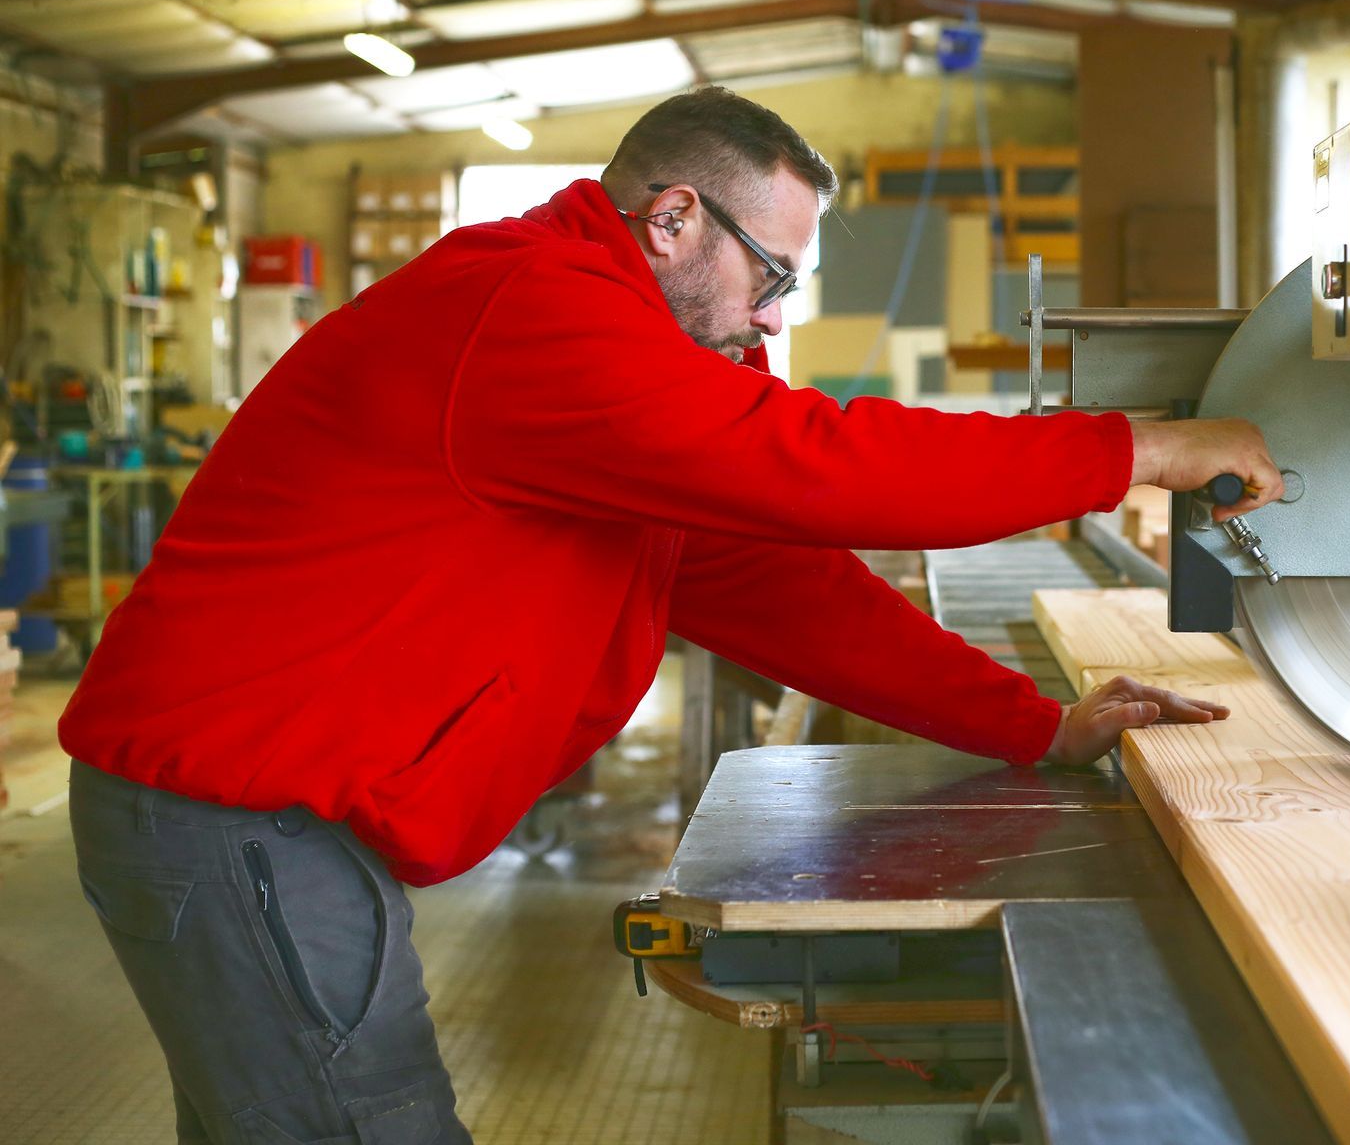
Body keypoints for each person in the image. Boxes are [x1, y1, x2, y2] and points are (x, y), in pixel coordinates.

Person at [58, 87, 1286, 1142]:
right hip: (240, 821)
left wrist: (1032, 723)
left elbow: (777, 582)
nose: (774, 316)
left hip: (261, 819)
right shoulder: (535, 307)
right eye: (772, 275)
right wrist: (1140, 449)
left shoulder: (606, 364)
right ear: (674, 218)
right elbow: (825, 466)